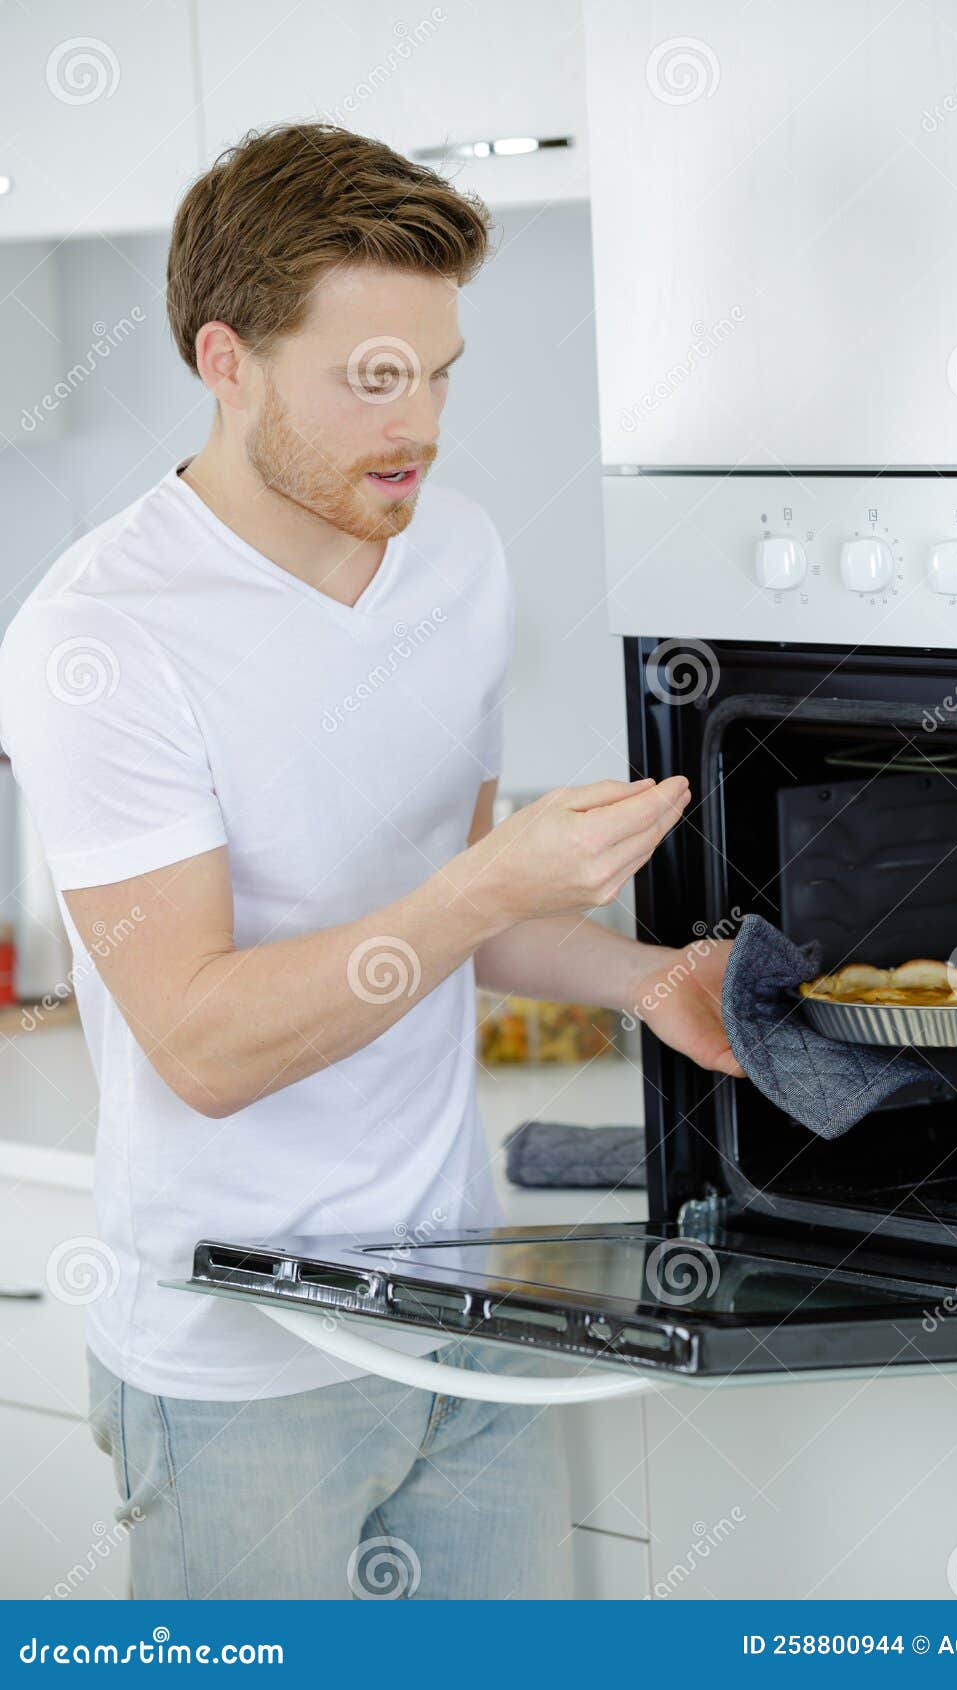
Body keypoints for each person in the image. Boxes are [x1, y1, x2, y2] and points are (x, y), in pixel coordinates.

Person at [0, 122, 740, 1600]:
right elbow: (203, 1042)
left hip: (464, 1298)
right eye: (373, 378)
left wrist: (647, 976)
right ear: (227, 360)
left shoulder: (455, 555)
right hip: (240, 1366)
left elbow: (459, 909)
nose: (424, 423)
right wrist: (490, 878)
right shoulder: (104, 635)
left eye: (441, 370)